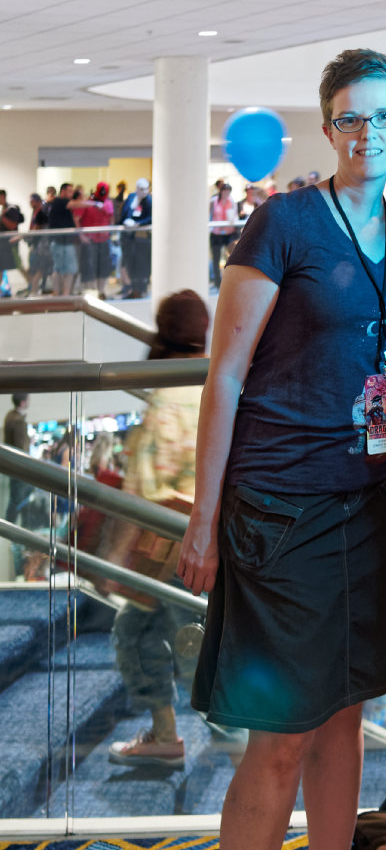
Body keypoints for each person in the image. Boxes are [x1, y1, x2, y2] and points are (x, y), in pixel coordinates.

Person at [177, 48, 386, 850]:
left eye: (383, 116)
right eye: (349, 118)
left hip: (375, 506)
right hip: (282, 510)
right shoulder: (283, 224)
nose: (367, 133)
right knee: (278, 738)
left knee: (347, 717)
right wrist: (204, 518)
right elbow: (226, 375)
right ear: (328, 129)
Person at [108, 291, 209, 770]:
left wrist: (114, 557)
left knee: (171, 648)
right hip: (212, 542)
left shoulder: (165, 396)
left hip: (169, 550)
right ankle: (167, 736)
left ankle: (241, 755)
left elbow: (140, 494)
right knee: (144, 631)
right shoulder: (214, 382)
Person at [120, 178, 152, 298]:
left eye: (145, 189)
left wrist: (138, 224)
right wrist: (127, 221)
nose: (143, 191)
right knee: (128, 263)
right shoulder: (131, 197)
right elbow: (125, 212)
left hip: (142, 240)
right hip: (129, 238)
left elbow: (150, 217)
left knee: (142, 265)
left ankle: (141, 289)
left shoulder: (149, 201)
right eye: (140, 189)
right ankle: (130, 288)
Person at [3, 393, 32, 525]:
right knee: (17, 499)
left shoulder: (10, 416)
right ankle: (9, 529)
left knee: (15, 498)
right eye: (28, 399)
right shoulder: (18, 421)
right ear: (22, 402)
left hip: (12, 465)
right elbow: (21, 447)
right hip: (19, 467)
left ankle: (9, 528)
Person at [47, 183, 79, 295]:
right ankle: (60, 293)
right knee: (60, 270)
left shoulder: (60, 203)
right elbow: (75, 204)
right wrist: (95, 203)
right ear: (63, 191)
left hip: (65, 242)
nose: (71, 194)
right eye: (69, 191)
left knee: (67, 270)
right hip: (60, 242)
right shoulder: (59, 202)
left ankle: (64, 293)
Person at [208, 182, 237, 290]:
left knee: (230, 257)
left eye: (228, 191)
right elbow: (210, 215)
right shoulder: (214, 201)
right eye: (224, 190)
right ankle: (217, 283)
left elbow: (234, 215)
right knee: (216, 259)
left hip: (228, 233)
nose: (226, 193)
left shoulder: (231, 201)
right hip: (216, 233)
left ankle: (230, 280)